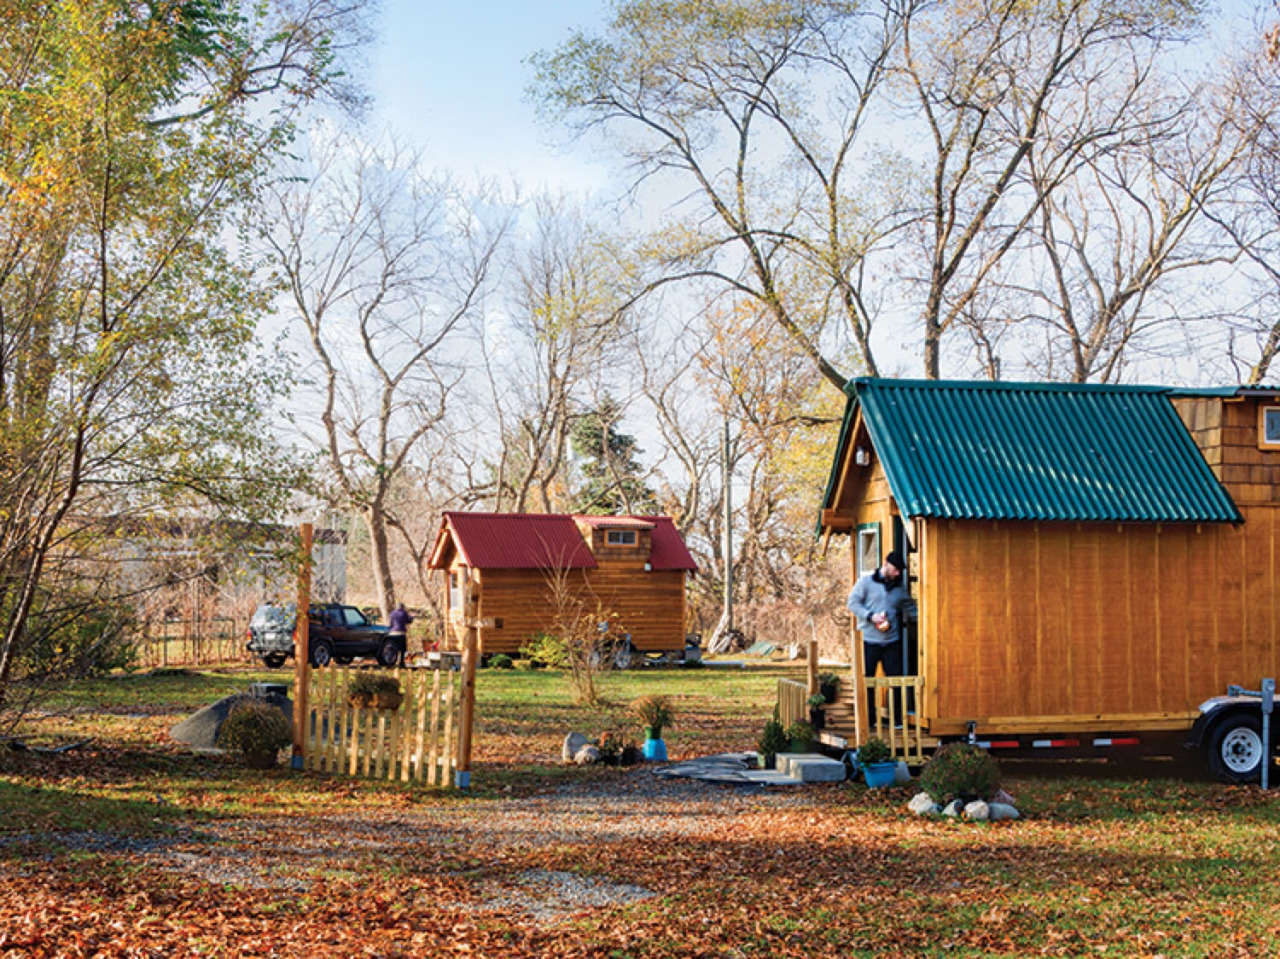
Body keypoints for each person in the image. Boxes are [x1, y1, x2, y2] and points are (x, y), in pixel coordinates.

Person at [847, 550, 916, 726]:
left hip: (892, 641)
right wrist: (871, 616)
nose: (898, 573)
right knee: (867, 680)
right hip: (869, 640)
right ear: (886, 564)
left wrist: (927, 620)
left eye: (900, 570)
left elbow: (910, 608)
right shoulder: (866, 583)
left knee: (896, 680)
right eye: (895, 569)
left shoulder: (899, 590)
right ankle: (868, 719)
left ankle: (897, 720)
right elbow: (852, 603)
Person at [388, 602, 413, 666]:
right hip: (401, 633)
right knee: (402, 649)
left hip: (392, 633)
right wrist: (411, 617)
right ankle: (401, 662)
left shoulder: (392, 613)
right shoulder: (404, 613)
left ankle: (391, 661)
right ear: (402, 607)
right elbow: (408, 621)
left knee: (393, 648)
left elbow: (390, 624)